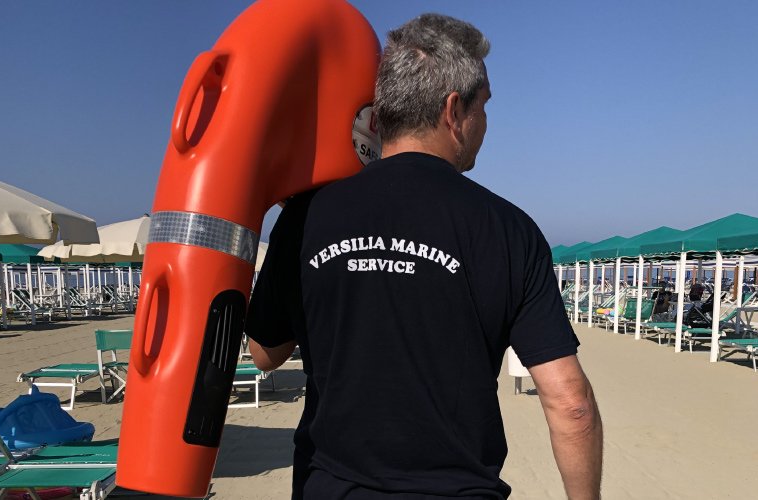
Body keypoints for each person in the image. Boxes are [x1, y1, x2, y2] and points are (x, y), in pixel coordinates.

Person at [246, 13, 602, 499]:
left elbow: (265, 355)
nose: (485, 124)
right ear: (454, 111)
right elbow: (570, 403)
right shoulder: (508, 229)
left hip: (329, 488)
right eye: (484, 107)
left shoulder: (305, 217)